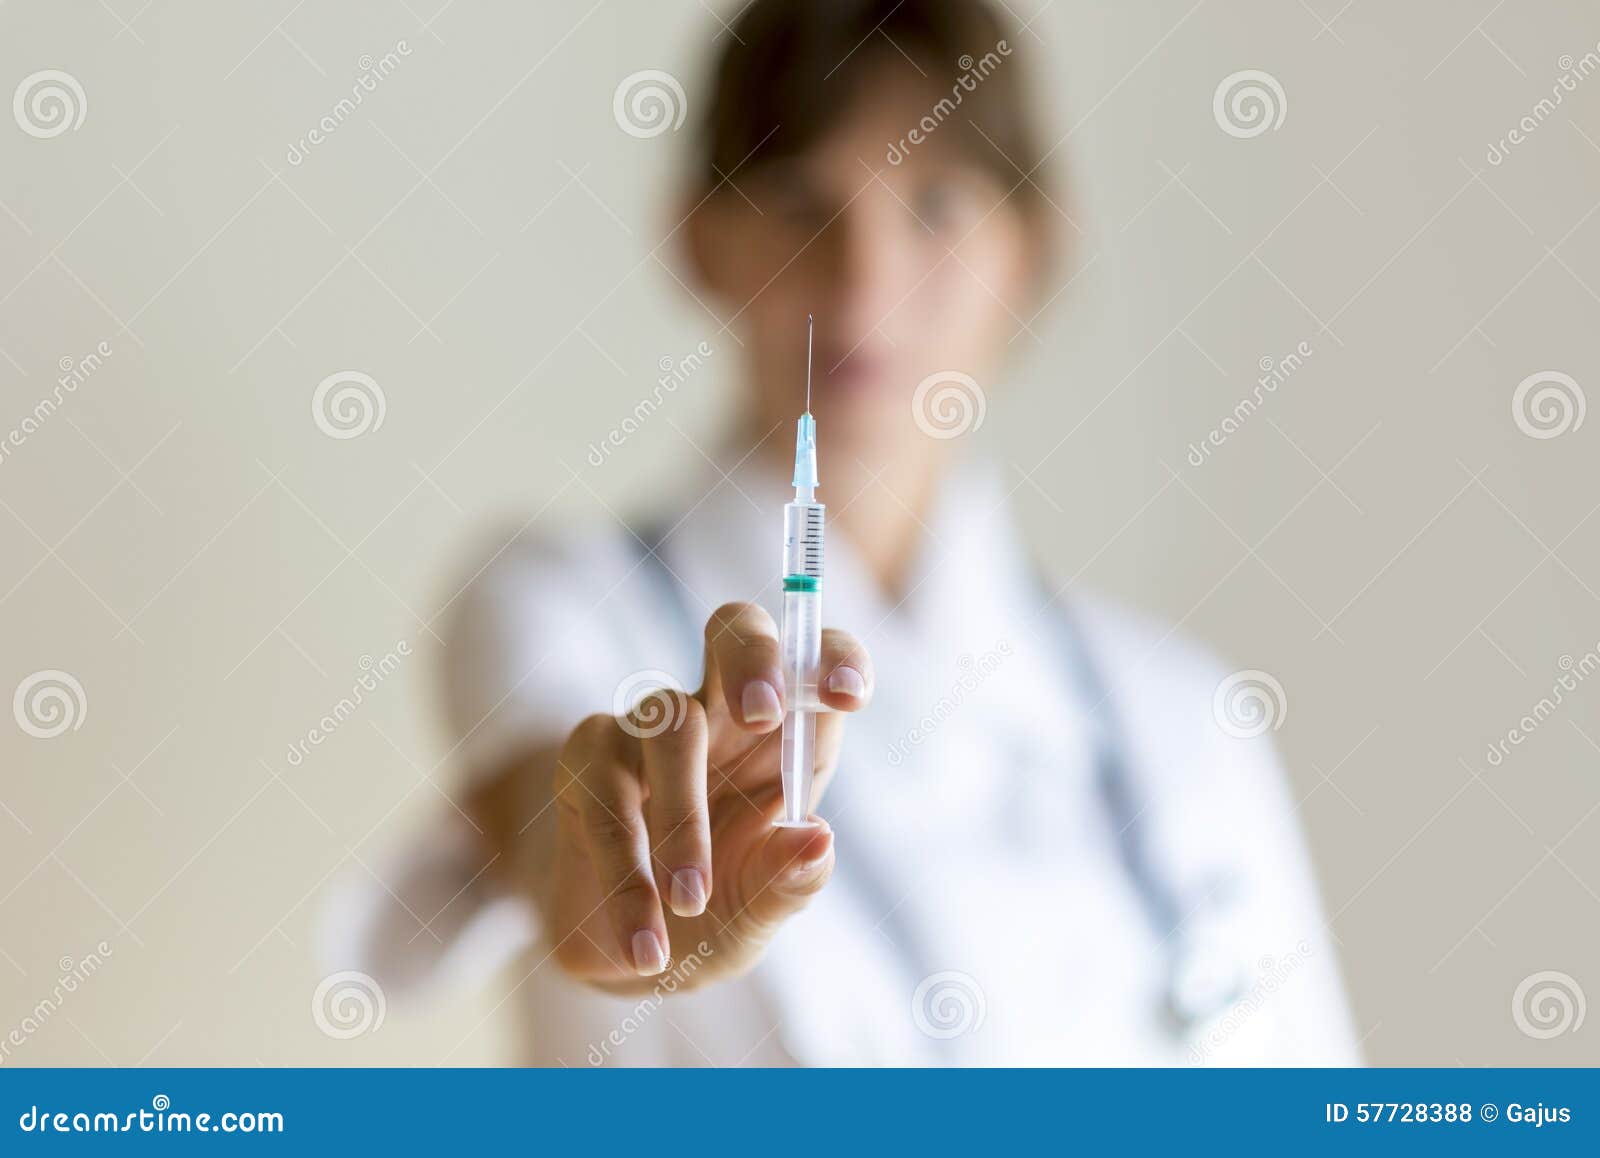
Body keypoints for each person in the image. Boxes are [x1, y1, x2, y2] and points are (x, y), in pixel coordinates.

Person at [326, 0, 1361, 1066]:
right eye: (796, 202)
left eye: (938, 204)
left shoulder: (1182, 721)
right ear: (699, 239)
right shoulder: (562, 600)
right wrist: (614, 882)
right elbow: (551, 818)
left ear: (1031, 250)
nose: (862, 282)